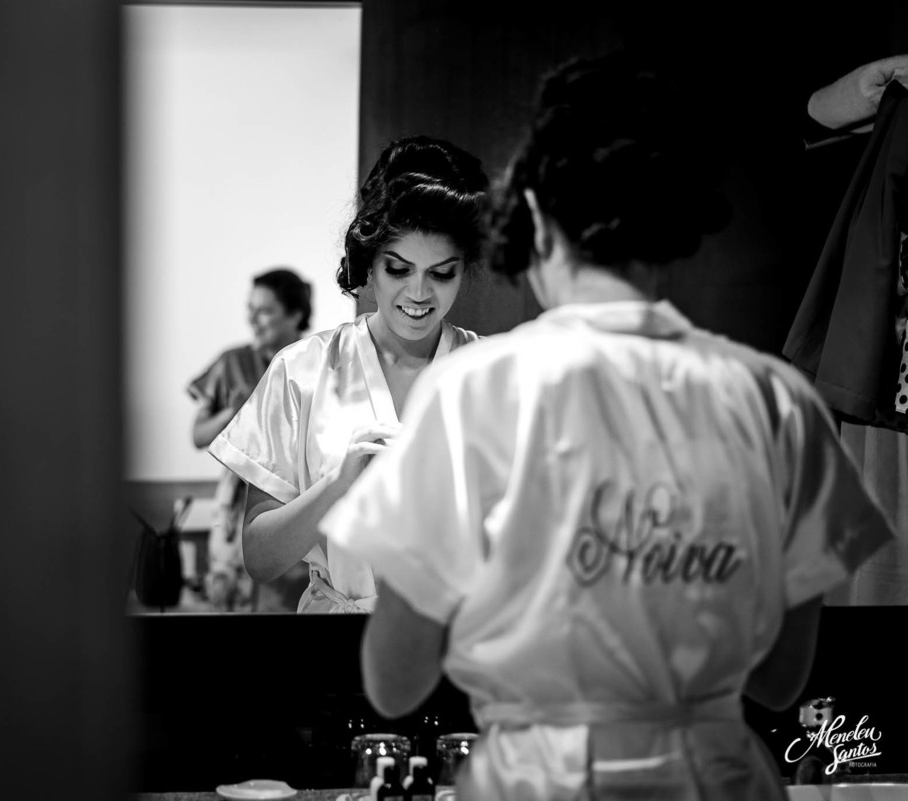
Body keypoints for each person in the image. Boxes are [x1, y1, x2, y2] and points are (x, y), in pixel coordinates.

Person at [320, 53, 897, 799]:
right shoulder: (775, 400)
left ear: (531, 221)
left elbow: (395, 680)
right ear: (675, 230)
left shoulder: (468, 392)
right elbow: (785, 678)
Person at [207, 135, 488, 613]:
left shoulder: (492, 376)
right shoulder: (302, 372)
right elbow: (261, 558)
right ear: (369, 265)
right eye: (399, 269)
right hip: (335, 646)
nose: (419, 294)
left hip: (461, 641)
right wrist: (337, 486)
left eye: (442, 274)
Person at [189, 267, 313, 612]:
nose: (254, 320)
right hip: (235, 498)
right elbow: (198, 436)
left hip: (293, 496)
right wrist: (232, 415)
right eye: (250, 310)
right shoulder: (231, 363)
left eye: (265, 311)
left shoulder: (315, 363)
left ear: (295, 315)